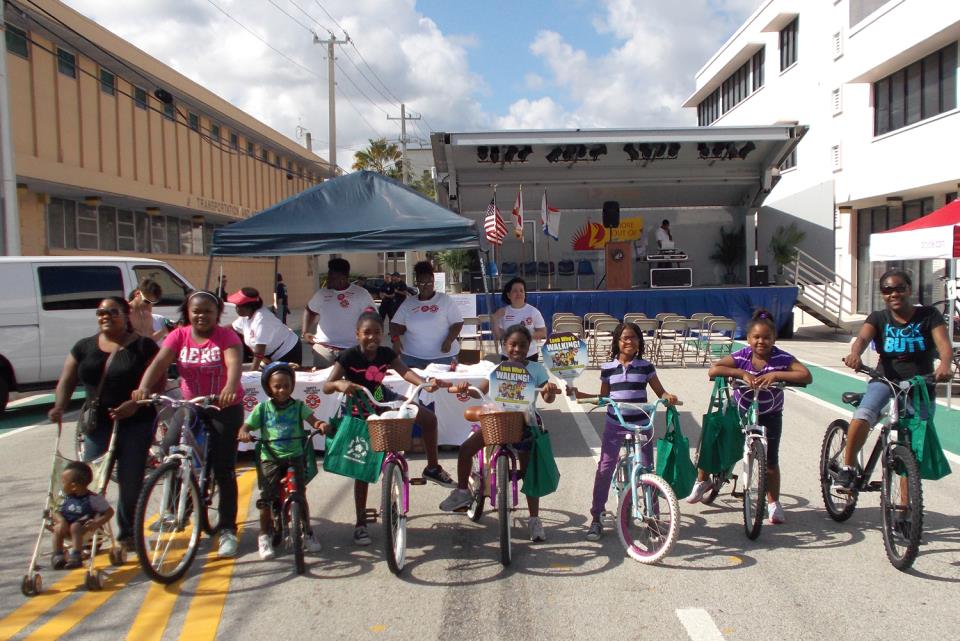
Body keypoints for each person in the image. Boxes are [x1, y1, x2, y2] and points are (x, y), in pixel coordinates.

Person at [324, 311, 455, 545]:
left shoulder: (385, 353)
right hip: (358, 403)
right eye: (367, 333)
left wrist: (425, 384)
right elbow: (326, 386)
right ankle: (361, 523)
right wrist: (339, 383)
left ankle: (432, 467)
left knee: (427, 419)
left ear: (382, 334)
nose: (372, 337)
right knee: (361, 467)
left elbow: (405, 372)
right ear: (357, 335)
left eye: (376, 332)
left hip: (378, 395)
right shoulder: (347, 356)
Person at [133, 290, 244, 558]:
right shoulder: (179, 335)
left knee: (223, 466)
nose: (201, 315)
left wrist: (230, 387)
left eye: (207, 311)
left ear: (217, 313)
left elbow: (234, 363)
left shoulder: (226, 336)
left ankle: (227, 528)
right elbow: (160, 362)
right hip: (190, 404)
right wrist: (144, 387)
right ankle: (173, 511)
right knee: (170, 450)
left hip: (222, 405)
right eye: (196, 311)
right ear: (188, 312)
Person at [49, 296, 161, 551]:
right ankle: (91, 529)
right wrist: (59, 406)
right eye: (101, 312)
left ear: (126, 315)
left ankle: (127, 533)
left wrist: (136, 404)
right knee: (90, 478)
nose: (106, 316)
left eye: (113, 311)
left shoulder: (143, 347)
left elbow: (157, 382)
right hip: (97, 424)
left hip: (136, 422)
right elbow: (66, 380)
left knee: (130, 478)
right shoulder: (84, 346)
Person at [687, 310, 812, 523]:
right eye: (756, 337)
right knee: (714, 438)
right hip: (740, 410)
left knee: (771, 461)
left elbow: (805, 375)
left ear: (774, 339)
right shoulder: (743, 356)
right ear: (748, 339)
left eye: (766, 337)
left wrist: (776, 375)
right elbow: (714, 370)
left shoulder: (782, 358)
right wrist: (741, 373)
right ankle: (703, 480)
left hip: (770, 414)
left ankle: (773, 504)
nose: (761, 341)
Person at [439, 324, 560, 542]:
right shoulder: (497, 369)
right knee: (466, 449)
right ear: (505, 346)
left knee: (530, 471)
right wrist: (464, 388)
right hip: (498, 423)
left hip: (525, 425)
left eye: (522, 345)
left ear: (529, 347)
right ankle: (463, 492)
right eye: (513, 344)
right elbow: (480, 392)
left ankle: (534, 519)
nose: (517, 349)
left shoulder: (537, 369)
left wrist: (549, 391)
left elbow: (547, 398)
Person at [837, 269, 952, 491]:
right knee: (863, 416)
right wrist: (855, 354)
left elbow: (944, 345)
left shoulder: (929, 315)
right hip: (885, 380)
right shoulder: (879, 318)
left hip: (920, 384)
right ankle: (849, 468)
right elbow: (862, 338)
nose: (894, 293)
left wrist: (945, 365)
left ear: (909, 290)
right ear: (882, 294)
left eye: (900, 288)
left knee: (912, 445)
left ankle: (904, 510)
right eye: (887, 290)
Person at [567, 322, 679, 541]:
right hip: (615, 424)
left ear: (640, 342)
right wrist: (577, 393)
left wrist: (668, 398)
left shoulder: (645, 367)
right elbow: (603, 398)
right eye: (625, 338)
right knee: (605, 468)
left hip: (642, 423)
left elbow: (660, 392)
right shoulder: (608, 368)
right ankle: (597, 517)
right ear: (617, 342)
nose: (630, 342)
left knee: (648, 469)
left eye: (634, 338)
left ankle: (653, 519)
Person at [238, 363, 327, 560]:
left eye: (286, 386)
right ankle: (264, 535)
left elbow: (313, 420)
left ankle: (308, 532)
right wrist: (244, 431)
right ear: (269, 387)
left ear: (292, 386)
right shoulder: (262, 408)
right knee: (266, 498)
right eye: (277, 386)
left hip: (295, 455)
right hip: (270, 457)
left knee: (300, 495)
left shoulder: (298, 407)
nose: (282, 390)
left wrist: (320, 424)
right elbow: (247, 425)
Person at [302, 258, 376, 369]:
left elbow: (372, 317)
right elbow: (309, 311)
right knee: (323, 383)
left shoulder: (361, 294)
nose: (328, 280)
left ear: (342, 278)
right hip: (324, 348)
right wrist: (305, 332)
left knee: (352, 384)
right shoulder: (322, 294)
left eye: (331, 277)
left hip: (352, 349)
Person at [390, 261, 464, 369]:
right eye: (421, 283)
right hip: (412, 357)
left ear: (433, 282)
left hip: (443, 357)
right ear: (417, 283)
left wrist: (449, 340)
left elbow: (458, 322)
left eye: (429, 283)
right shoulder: (408, 303)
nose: (425, 287)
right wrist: (395, 340)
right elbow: (394, 324)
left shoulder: (445, 300)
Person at [51, 461, 114, 569]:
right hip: (65, 526)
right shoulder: (64, 497)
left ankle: (76, 555)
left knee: (75, 527)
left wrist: (97, 522)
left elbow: (109, 512)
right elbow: (55, 511)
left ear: (74, 486)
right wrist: (61, 520)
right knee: (58, 527)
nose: (61, 484)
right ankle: (58, 555)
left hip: (84, 528)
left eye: (64, 482)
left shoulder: (93, 498)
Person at [228, 287, 302, 369]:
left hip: (288, 351)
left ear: (250, 307)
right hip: (269, 354)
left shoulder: (262, 319)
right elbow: (231, 328)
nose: (236, 308)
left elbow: (259, 352)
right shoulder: (245, 317)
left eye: (238, 305)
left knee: (283, 377)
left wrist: (252, 373)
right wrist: (214, 331)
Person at [492, 277, 547, 361]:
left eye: (521, 291)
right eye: (515, 291)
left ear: (525, 294)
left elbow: (543, 333)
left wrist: (525, 336)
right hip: (508, 356)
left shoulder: (533, 311)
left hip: (529, 355)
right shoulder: (503, 312)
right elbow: (498, 335)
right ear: (508, 295)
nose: (519, 293)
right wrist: (495, 319)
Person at [128, 278, 168, 343]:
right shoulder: (124, 312)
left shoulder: (146, 315)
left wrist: (165, 331)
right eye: (147, 301)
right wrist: (163, 331)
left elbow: (149, 341)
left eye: (153, 303)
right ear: (137, 294)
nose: (150, 305)